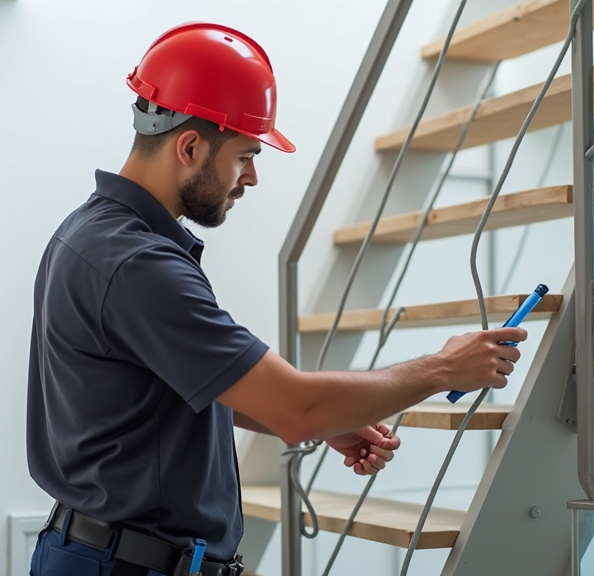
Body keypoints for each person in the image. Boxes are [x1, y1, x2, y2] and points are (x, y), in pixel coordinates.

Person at [26, 22, 527, 576]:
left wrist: (326, 421)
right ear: (189, 146)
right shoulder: (138, 265)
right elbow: (296, 406)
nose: (253, 177)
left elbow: (196, 385)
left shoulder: (95, 235)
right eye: (244, 156)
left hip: (108, 554)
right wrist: (443, 369)